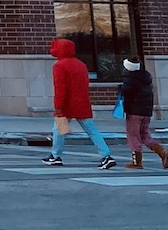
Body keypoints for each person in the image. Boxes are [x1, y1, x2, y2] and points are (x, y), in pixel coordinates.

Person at [44, 37, 117, 169]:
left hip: (67, 104)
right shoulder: (81, 64)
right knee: (92, 131)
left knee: (59, 130)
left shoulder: (59, 66)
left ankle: (56, 156)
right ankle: (106, 155)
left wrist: (58, 106)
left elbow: (60, 88)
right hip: (82, 102)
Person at [118, 57, 168, 170]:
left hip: (134, 112)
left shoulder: (130, 80)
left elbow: (126, 93)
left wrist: (121, 90)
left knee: (133, 135)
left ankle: (137, 161)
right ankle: (162, 152)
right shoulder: (146, 80)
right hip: (146, 112)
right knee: (144, 135)